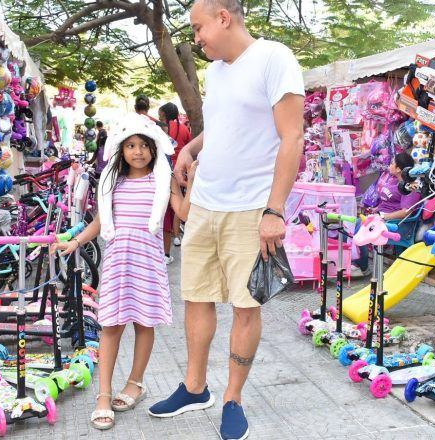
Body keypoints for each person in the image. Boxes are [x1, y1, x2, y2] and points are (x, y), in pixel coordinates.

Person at [147, 1, 304, 439]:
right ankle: (195, 388)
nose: (195, 38)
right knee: (196, 297)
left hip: (252, 209)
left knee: (244, 306)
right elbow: (222, 126)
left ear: (223, 17)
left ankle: (233, 398)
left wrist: (275, 210)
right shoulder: (217, 71)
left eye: (198, 27)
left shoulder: (274, 58)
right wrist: (190, 149)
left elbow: (292, 136)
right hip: (206, 206)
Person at [54, 113, 195, 430]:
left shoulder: (163, 180)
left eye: (144, 145)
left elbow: (183, 212)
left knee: (145, 324)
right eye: (131, 145)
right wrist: (75, 242)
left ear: (154, 148)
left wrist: (194, 181)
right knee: (111, 327)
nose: (138, 151)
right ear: (120, 149)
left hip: (148, 263)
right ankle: (103, 394)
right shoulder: (110, 181)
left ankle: (135, 382)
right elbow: (100, 222)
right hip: (118, 263)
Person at [351, 152, 421, 277]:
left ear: (399, 169)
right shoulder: (394, 181)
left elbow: (406, 211)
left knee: (361, 228)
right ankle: (359, 264)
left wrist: (383, 217)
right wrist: (376, 210)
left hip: (398, 224)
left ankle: (361, 265)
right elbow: (388, 201)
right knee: (355, 225)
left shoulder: (411, 187)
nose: (390, 165)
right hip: (381, 217)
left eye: (392, 163)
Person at [159, 102, 192, 248]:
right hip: (181, 171)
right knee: (178, 203)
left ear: (164, 114)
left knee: (165, 206)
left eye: (160, 114)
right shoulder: (184, 128)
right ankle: (176, 234)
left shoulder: (162, 129)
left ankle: (165, 234)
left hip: (166, 168)